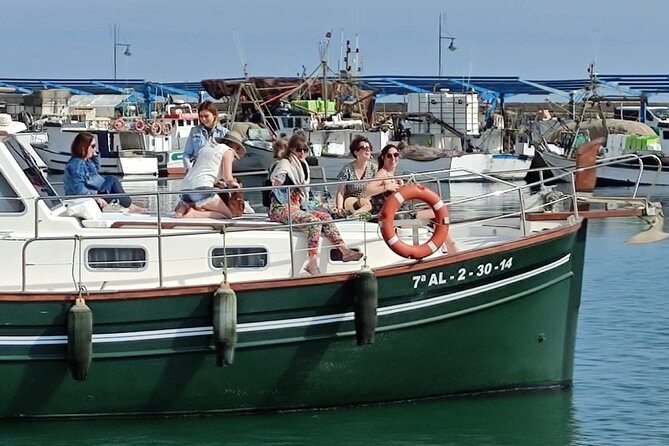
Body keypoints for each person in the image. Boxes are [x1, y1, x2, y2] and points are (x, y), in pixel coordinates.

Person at [269, 133, 363, 275]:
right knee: (314, 222)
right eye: (298, 150)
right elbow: (280, 175)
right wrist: (278, 182)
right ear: (291, 150)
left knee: (325, 217)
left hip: (297, 207)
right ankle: (312, 263)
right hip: (281, 208)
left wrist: (329, 208)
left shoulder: (302, 167)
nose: (302, 153)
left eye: (305, 150)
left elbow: (307, 197)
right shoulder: (285, 164)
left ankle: (344, 251)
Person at [362, 143, 457, 253]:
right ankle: (450, 245)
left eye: (396, 155)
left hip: (401, 213)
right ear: (383, 157)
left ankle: (445, 244)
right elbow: (366, 191)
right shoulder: (382, 174)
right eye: (389, 156)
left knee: (437, 210)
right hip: (394, 217)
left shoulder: (390, 175)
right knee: (438, 212)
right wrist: (386, 186)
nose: (393, 158)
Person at [64, 132, 145, 212]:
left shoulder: (85, 160)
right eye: (93, 146)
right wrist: (96, 198)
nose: (95, 149)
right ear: (83, 147)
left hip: (96, 189)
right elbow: (78, 189)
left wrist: (95, 156)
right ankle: (130, 206)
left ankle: (130, 205)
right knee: (118, 197)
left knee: (112, 179)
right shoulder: (76, 165)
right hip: (88, 196)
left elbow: (96, 169)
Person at [174, 130, 246, 219]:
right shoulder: (228, 151)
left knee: (202, 203)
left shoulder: (207, 148)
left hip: (184, 189)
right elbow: (228, 178)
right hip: (202, 188)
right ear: (236, 147)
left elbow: (204, 170)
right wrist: (236, 185)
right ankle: (194, 214)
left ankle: (186, 206)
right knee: (227, 215)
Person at [335, 136, 377, 214]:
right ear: (356, 152)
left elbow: (382, 181)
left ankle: (355, 215)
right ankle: (355, 214)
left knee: (366, 203)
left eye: (369, 148)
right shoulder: (347, 169)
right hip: (351, 203)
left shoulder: (374, 168)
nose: (367, 149)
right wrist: (339, 208)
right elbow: (341, 191)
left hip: (368, 203)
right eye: (363, 148)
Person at [182, 101, 228, 172]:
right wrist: (189, 169)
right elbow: (186, 154)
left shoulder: (224, 133)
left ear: (214, 115)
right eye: (201, 116)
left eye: (206, 116)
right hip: (198, 172)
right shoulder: (194, 131)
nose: (203, 119)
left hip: (217, 171)